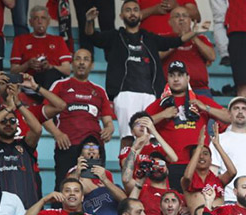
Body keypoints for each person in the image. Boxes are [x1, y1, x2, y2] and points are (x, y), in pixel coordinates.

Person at [83, 2, 208, 137]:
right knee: (129, 137)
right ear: (121, 15)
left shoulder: (149, 37)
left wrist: (194, 32)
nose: (132, 13)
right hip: (125, 94)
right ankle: (126, 159)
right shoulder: (115, 36)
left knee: (151, 137)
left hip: (151, 95)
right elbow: (93, 37)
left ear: (140, 14)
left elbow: (174, 42)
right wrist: (90, 21)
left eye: (136, 10)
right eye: (128, 10)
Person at [146, 60, 229, 192]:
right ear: (167, 78)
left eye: (180, 75)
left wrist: (205, 107)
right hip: (170, 165)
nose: (176, 79)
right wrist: (162, 114)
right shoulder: (160, 104)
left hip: (198, 165)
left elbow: (229, 117)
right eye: (172, 75)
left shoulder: (200, 100)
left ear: (188, 78)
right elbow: (138, 125)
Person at [46, 49, 116, 190]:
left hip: (93, 148)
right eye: (78, 58)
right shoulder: (59, 86)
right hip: (67, 145)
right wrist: (57, 133)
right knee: (64, 188)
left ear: (92, 65)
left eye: (86, 59)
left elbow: (108, 121)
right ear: (72, 63)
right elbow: (43, 115)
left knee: (95, 191)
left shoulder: (99, 90)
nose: (82, 62)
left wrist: (109, 128)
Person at [0, 83, 43, 209]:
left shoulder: (25, 145)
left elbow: (37, 129)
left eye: (12, 121)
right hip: (0, 210)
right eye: (3, 121)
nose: (8, 124)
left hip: (28, 210)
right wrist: (8, 108)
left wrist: (18, 104)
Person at [10, 6, 71, 89]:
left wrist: (50, 66)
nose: (40, 22)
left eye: (43, 18)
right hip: (29, 84)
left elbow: (67, 70)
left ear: (48, 21)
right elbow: (13, 71)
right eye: (36, 18)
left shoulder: (58, 41)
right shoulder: (20, 40)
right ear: (30, 22)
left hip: (52, 85)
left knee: (50, 73)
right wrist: (28, 64)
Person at [159, 6, 215, 97]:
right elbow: (158, 55)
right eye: (177, 16)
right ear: (170, 22)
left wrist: (192, 35)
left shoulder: (201, 38)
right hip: (170, 89)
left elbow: (212, 56)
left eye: (185, 16)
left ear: (190, 21)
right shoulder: (164, 38)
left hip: (199, 89)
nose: (181, 19)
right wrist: (180, 40)